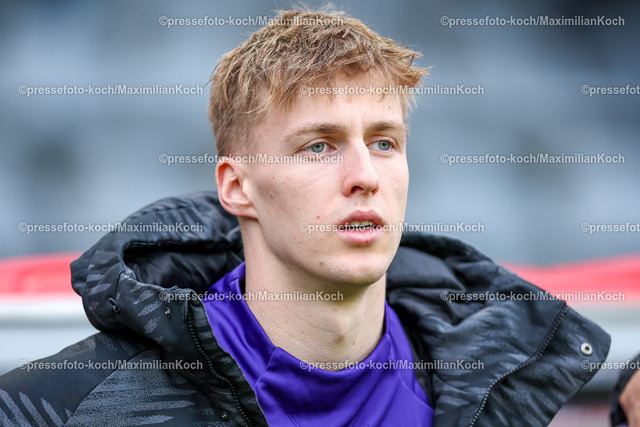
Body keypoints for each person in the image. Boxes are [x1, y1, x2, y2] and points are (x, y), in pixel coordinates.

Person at [0, 8, 610, 426]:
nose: (365, 175)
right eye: (319, 146)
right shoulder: (59, 408)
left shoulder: (506, 383)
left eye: (384, 142)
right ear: (237, 187)